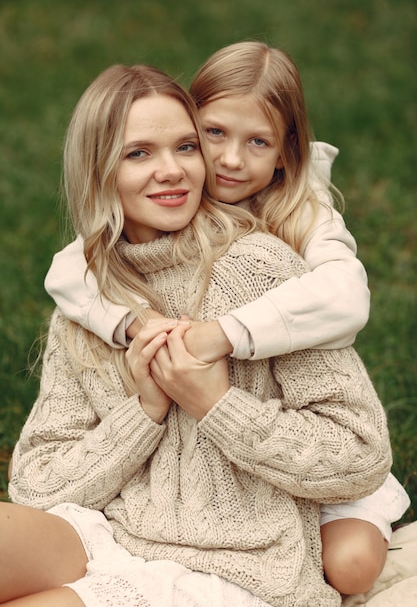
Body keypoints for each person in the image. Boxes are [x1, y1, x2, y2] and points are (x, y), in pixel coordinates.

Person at [5, 62, 392, 607]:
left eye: (185, 148)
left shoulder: (263, 270)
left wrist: (215, 403)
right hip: (108, 532)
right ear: (99, 169)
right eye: (138, 153)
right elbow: (36, 484)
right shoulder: (90, 296)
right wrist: (144, 409)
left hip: (237, 562)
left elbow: (361, 454)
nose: (172, 171)